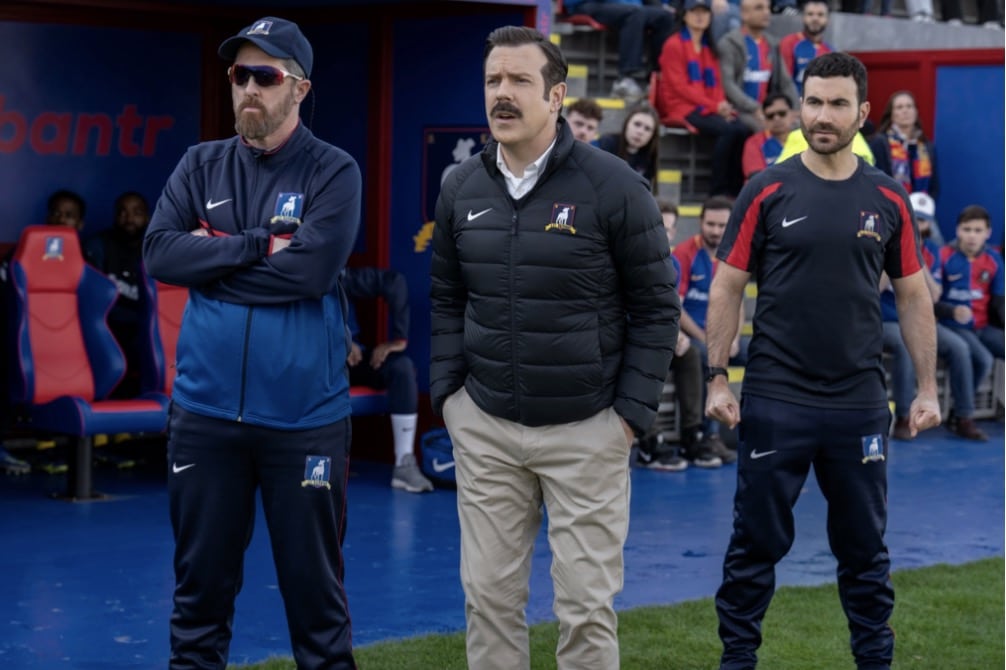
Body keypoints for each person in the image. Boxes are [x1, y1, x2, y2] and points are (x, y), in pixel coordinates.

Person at [430, 26, 679, 669]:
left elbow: (656, 309)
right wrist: (451, 398)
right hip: (485, 425)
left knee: (586, 612)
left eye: (518, 81)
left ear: (558, 94)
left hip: (587, 430)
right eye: (493, 81)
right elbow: (447, 298)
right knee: (487, 599)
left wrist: (627, 418)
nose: (502, 95)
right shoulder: (461, 186)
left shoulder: (615, 186)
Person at [706, 52, 940, 670]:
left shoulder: (888, 196)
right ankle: (737, 662)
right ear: (800, 107)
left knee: (865, 552)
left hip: (860, 401)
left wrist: (928, 389)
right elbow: (727, 286)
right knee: (754, 545)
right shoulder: (767, 187)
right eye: (813, 102)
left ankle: (874, 663)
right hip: (776, 398)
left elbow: (914, 296)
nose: (823, 115)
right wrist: (715, 378)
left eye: (838, 104)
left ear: (863, 113)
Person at [142, 16, 361, 669]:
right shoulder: (198, 162)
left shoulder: (334, 171)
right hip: (205, 420)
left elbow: (311, 272)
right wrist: (257, 248)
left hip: (304, 424)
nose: (248, 90)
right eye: (239, 75)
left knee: (317, 608)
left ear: (298, 87)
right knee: (197, 604)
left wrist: (211, 261)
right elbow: (159, 254)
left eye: (264, 76)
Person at [883, 195, 988, 441]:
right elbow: (873, 291)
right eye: (913, 220)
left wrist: (915, 260)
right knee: (903, 344)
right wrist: (895, 258)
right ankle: (903, 416)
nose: (917, 226)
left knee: (960, 348)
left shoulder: (931, 250)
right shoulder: (884, 242)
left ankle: (963, 416)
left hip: (919, 319)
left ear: (929, 225)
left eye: (922, 221)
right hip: (885, 320)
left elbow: (934, 295)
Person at [342, 266, 433, 492]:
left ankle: (404, 464)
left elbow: (394, 281)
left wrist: (398, 339)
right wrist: (339, 341)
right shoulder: (296, 273)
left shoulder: (340, 273)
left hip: (355, 360)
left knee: (401, 367)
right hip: (318, 361)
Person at [636, 198, 708, 472]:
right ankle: (649, 443)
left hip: (655, 337)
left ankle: (693, 435)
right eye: (656, 227)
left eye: (667, 229)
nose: (661, 234)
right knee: (646, 356)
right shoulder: (626, 259)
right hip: (630, 340)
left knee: (690, 353)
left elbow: (667, 310)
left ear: (675, 232)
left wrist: (675, 334)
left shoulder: (673, 266)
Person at [673, 195, 744, 467]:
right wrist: (710, 340)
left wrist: (734, 338)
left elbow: (735, 301)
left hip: (724, 336)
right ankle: (708, 437)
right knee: (706, 356)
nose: (715, 231)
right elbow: (676, 308)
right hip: (697, 336)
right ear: (700, 222)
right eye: (710, 224)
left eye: (721, 225)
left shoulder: (733, 254)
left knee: (764, 351)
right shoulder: (684, 252)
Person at [654, 0, 749, 196]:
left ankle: (737, 188)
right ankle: (718, 190)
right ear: (685, 15)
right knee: (728, 131)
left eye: (704, 12)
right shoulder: (674, 44)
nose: (700, 16)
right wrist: (715, 106)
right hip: (681, 107)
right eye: (694, 11)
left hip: (707, 107)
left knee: (743, 129)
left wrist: (722, 106)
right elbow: (679, 87)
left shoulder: (709, 48)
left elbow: (716, 84)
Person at [936, 204, 1003, 417]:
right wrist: (951, 311)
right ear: (957, 230)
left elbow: (999, 302)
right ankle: (963, 413)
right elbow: (929, 302)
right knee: (984, 359)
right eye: (967, 230)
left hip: (983, 326)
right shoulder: (943, 255)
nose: (972, 236)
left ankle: (963, 407)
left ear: (988, 233)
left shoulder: (994, 259)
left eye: (978, 230)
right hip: (953, 326)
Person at [84, 191, 150, 398]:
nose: (129, 219)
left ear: (147, 217)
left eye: (136, 213)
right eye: (122, 212)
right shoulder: (98, 244)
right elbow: (89, 300)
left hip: (146, 325)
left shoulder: (156, 246)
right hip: (106, 324)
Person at [562, 0, 677, 99]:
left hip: (630, 7)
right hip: (589, 4)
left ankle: (655, 79)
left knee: (665, 17)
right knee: (635, 13)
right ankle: (625, 80)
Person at [717, 0, 798, 133]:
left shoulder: (773, 44)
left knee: (798, 125)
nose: (766, 12)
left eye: (768, 8)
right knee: (764, 129)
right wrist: (755, 108)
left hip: (769, 110)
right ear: (744, 14)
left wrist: (795, 110)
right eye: (759, 8)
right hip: (740, 110)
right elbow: (728, 84)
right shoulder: (729, 43)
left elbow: (786, 83)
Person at [867, 90, 938, 198]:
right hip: (890, 208)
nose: (905, 110)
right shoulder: (880, 142)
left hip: (921, 210)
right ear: (891, 114)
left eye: (909, 106)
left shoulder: (927, 146)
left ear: (916, 111)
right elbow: (877, 181)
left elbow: (934, 186)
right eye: (899, 107)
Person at [597, 101, 662, 193]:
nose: (640, 132)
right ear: (627, 124)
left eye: (647, 129)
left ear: (652, 135)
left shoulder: (648, 157)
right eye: (637, 124)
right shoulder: (608, 143)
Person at [778, 0, 832, 99]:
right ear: (803, 17)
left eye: (820, 15)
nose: (815, 18)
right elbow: (783, 82)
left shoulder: (830, 51)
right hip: (794, 108)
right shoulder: (789, 43)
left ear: (827, 19)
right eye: (810, 14)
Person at [741, 93, 793, 180]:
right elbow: (757, 179)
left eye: (782, 113)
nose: (777, 118)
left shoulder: (805, 138)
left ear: (792, 115)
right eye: (770, 116)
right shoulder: (754, 143)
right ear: (764, 120)